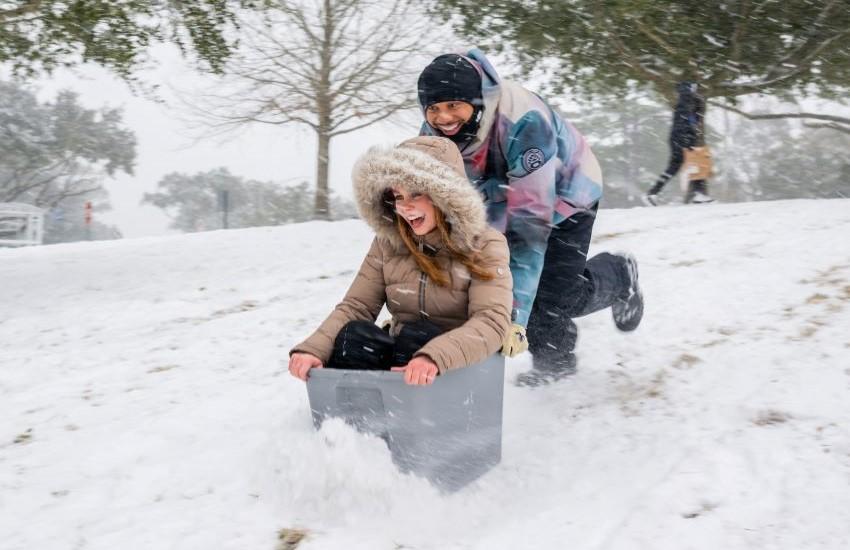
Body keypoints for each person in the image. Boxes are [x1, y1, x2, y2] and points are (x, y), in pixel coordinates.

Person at [417, 49, 644, 387]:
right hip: (496, 197)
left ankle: (611, 286)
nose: (443, 117)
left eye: (453, 105)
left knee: (550, 295)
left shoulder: (525, 121)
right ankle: (554, 351)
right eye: (433, 108)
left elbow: (529, 229)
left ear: (477, 101)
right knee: (477, 282)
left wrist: (515, 319)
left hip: (567, 193)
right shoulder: (432, 136)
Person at [288, 136, 513, 386]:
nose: (404, 207)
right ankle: (353, 418)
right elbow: (357, 306)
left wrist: (434, 356)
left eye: (416, 193)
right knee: (357, 336)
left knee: (419, 337)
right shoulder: (388, 243)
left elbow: (491, 321)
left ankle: (416, 416)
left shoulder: (484, 244)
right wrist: (313, 348)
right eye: (397, 196)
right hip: (403, 364)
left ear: (446, 196)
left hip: (457, 365)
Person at [644, 81, 714, 206]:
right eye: (694, 89)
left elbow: (692, 118)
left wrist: (697, 106)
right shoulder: (686, 100)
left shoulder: (689, 105)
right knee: (698, 161)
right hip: (683, 136)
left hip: (678, 137)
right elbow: (685, 95)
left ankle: (653, 193)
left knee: (674, 167)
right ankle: (699, 194)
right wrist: (691, 92)